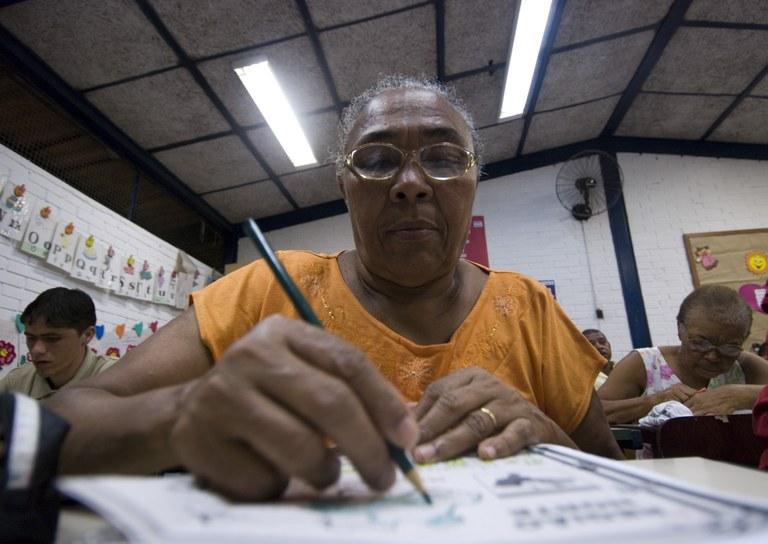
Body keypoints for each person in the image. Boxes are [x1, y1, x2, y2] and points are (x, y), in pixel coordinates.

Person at [45, 76, 621, 501]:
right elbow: (62, 419)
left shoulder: (527, 308)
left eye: (444, 159)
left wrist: (549, 437)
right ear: (343, 185)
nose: (411, 184)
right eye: (377, 160)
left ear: (474, 180)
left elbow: (624, 479)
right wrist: (180, 413)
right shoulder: (267, 291)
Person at [598, 285, 768, 424]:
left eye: (729, 348)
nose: (713, 357)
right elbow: (595, 413)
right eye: (700, 343)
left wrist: (741, 395)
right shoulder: (646, 364)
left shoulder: (747, 367)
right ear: (680, 330)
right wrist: (655, 401)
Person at [0, 287, 114, 399]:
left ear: (87, 335)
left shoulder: (113, 379)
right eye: (31, 338)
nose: (36, 349)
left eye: (52, 338)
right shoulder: (17, 381)